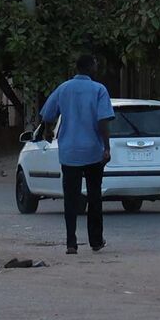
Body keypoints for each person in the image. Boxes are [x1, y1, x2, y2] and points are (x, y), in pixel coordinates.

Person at [38, 54, 116, 255]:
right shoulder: (99, 89)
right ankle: (96, 241)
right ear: (90, 67)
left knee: (70, 199)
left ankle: (71, 243)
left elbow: (47, 114)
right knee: (94, 196)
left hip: (69, 152)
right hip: (92, 151)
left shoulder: (63, 89)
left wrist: (48, 130)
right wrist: (106, 147)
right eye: (96, 63)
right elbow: (103, 121)